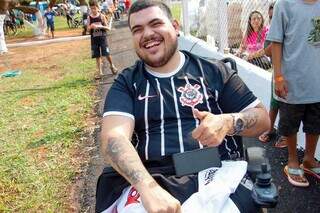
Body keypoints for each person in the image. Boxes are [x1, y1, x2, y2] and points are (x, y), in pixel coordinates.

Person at [99, 1, 270, 212]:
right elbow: (113, 137)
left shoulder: (214, 72)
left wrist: (228, 122)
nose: (147, 34)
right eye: (138, 29)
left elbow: (263, 118)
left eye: (155, 24)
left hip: (218, 169)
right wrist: (148, 187)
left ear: (176, 26)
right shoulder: (127, 82)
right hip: (153, 177)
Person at [267, 0, 320, 187]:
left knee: (316, 123)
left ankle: (309, 159)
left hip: (317, 81)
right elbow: (276, 42)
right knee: (290, 124)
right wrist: (279, 77)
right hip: (292, 82)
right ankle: (292, 161)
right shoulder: (285, 4)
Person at [258, 2, 287, 148]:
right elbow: (268, 51)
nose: (272, 20)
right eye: (270, 17)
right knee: (274, 102)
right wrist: (279, 39)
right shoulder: (270, 32)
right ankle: (270, 129)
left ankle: (284, 134)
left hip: (291, 71)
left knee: (287, 105)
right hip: (276, 71)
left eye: (275, 16)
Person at [87, 0, 117, 77]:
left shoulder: (102, 16)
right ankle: (100, 72)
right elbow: (87, 29)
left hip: (102, 38)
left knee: (106, 53)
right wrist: (91, 27)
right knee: (97, 56)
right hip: (94, 39)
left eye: (94, 8)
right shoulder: (89, 18)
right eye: (91, 8)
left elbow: (108, 28)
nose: (93, 10)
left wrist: (100, 26)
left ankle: (112, 66)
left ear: (98, 8)